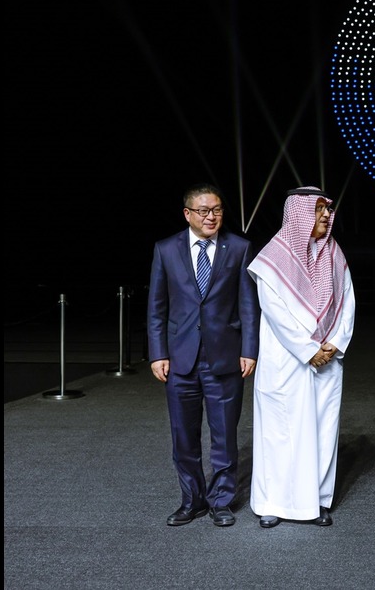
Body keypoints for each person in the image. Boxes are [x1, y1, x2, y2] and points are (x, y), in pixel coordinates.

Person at [147, 182, 260, 527]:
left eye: (217, 210)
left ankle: (221, 501)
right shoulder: (166, 249)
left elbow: (248, 305)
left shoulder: (239, 248)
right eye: (203, 211)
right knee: (184, 437)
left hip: (224, 358)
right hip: (180, 359)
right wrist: (157, 353)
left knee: (224, 436)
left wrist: (249, 350)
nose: (211, 216)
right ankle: (191, 500)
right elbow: (156, 307)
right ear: (188, 214)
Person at [246, 187, 355, 529]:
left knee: (322, 430)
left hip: (327, 360)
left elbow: (347, 301)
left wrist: (334, 343)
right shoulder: (272, 257)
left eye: (327, 209)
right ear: (299, 214)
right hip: (287, 360)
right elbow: (274, 311)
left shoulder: (334, 253)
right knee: (279, 432)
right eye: (318, 209)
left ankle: (317, 501)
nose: (325, 215)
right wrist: (309, 350)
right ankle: (272, 503)